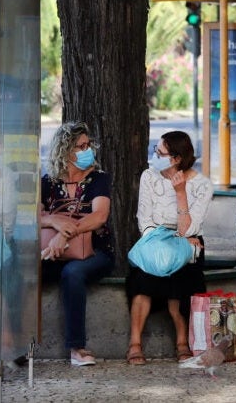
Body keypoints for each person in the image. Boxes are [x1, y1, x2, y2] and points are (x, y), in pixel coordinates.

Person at [126, 131, 212, 365]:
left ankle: (182, 343)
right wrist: (160, 246)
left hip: (187, 242)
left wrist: (180, 193)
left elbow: (189, 229)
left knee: (181, 278)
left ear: (176, 158)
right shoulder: (149, 177)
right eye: (156, 149)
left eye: (160, 153)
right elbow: (145, 220)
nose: (155, 156)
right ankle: (135, 344)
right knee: (143, 277)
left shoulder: (202, 185)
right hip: (154, 240)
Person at [40, 122, 114, 366]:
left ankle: (76, 348)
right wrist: (54, 220)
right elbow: (34, 217)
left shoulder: (98, 179)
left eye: (88, 145)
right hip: (54, 253)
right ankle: (15, 344)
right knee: (23, 272)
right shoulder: (48, 182)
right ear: (65, 151)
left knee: (73, 273)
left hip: (95, 252)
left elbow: (99, 216)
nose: (87, 150)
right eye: (80, 146)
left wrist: (65, 234)